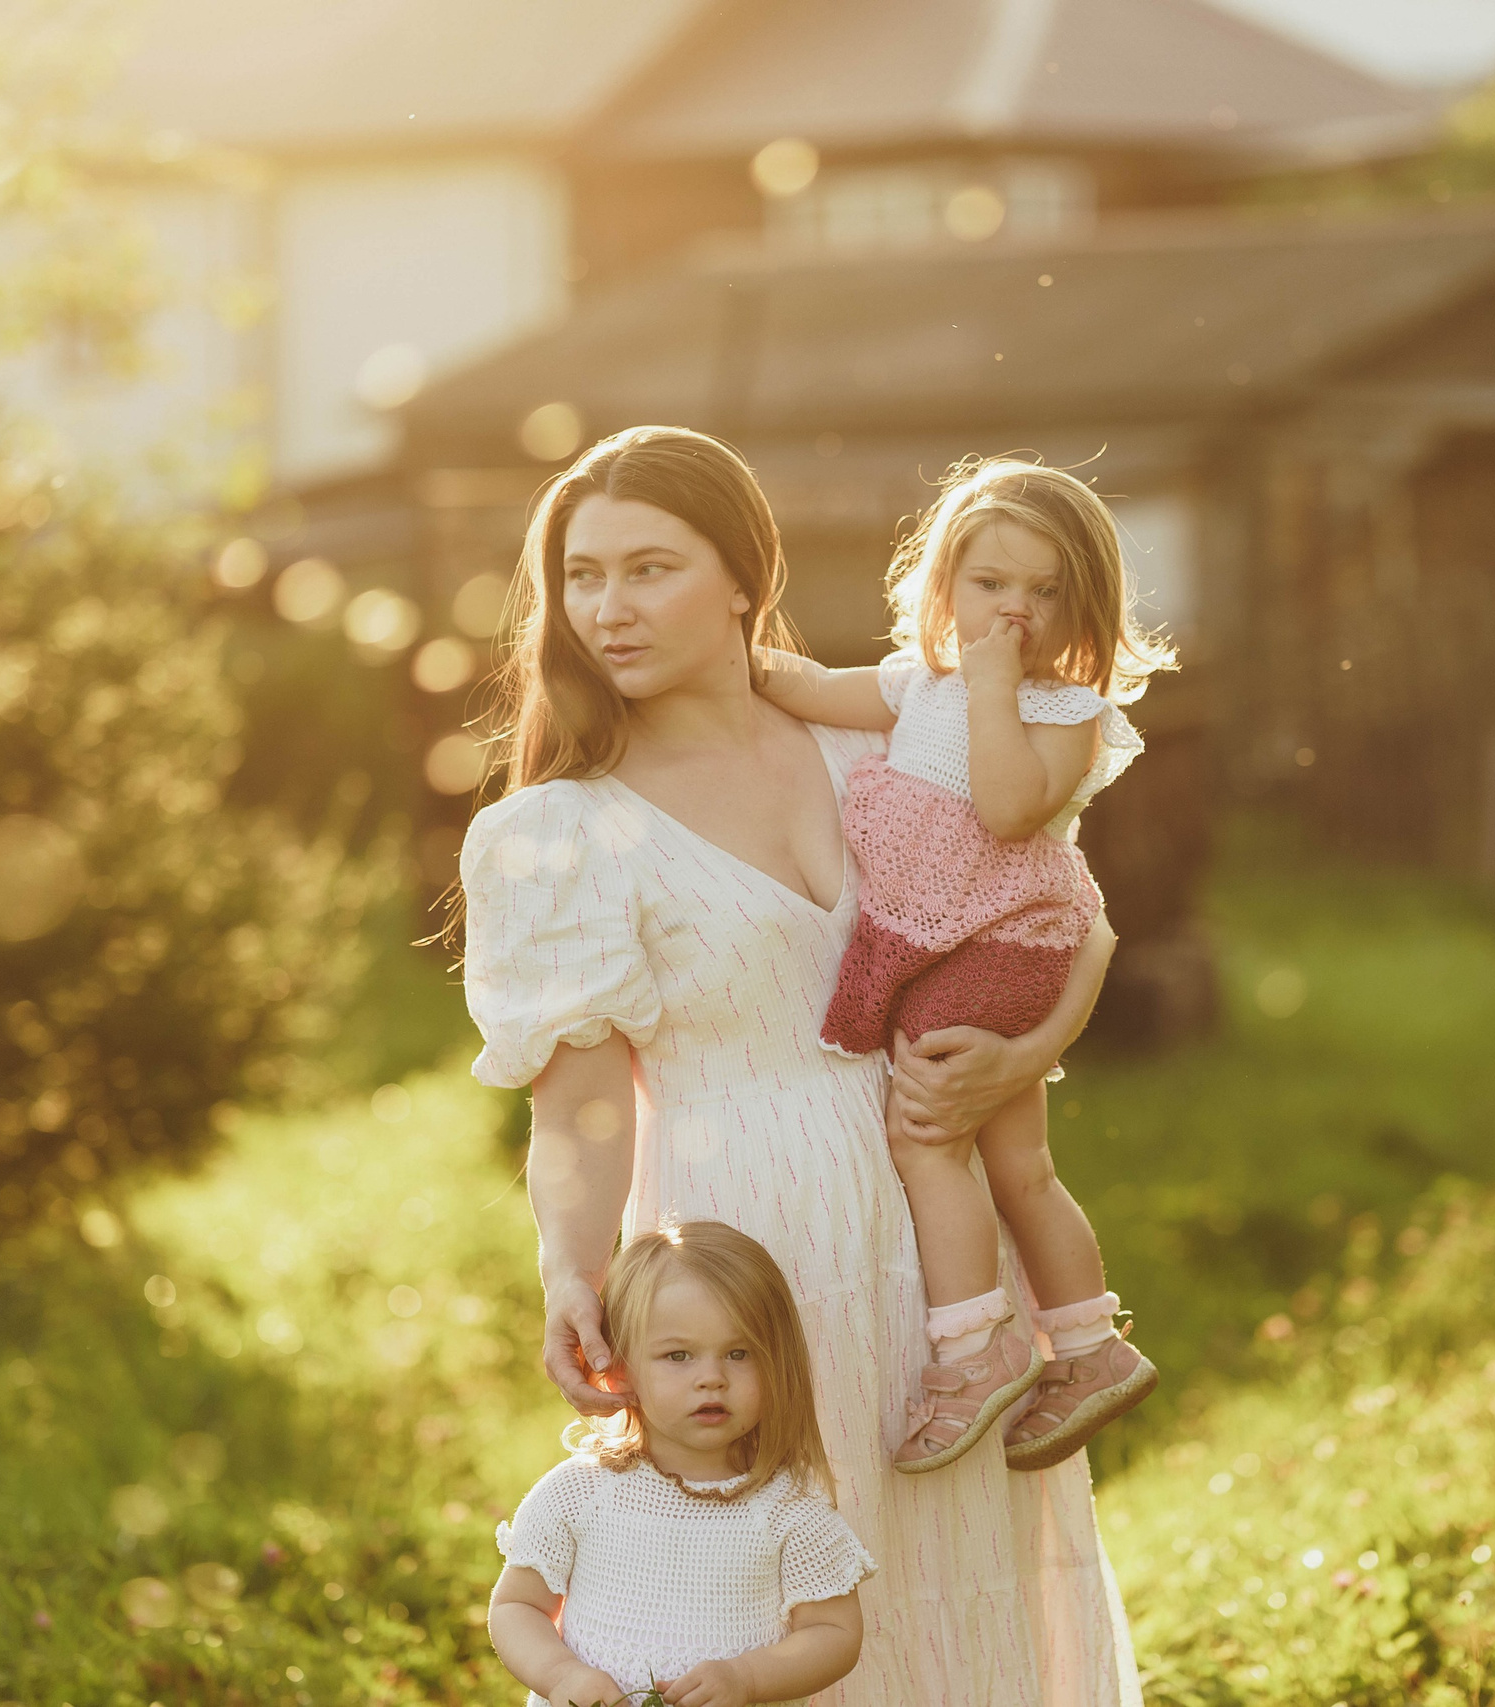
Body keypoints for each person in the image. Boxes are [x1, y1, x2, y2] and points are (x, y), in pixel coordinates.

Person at [459, 425, 1140, 1704]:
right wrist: (571, 1264)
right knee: (780, 1616)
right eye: (583, 576)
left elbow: (1067, 919)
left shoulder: (884, 741)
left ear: (741, 577)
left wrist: (1023, 1055)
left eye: (649, 567)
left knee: (960, 1593)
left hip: (945, 1268)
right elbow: (581, 1105)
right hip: (745, 1262)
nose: (609, 607)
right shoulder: (555, 830)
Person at [754, 459, 1175, 1475]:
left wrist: (990, 689)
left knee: (928, 1134)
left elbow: (1005, 807)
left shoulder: (1066, 717)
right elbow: (808, 687)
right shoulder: (915, 683)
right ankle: (1086, 1348)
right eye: (992, 585)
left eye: (1044, 592)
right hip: (958, 946)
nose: (1015, 611)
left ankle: (974, 1344)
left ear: (1085, 606)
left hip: (1000, 947)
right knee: (1019, 1165)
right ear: (945, 587)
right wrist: (736, 650)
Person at [489, 1222, 873, 1707]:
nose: (711, 1378)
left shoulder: (790, 1508)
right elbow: (517, 1605)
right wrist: (562, 1676)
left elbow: (834, 1632)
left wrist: (747, 1678)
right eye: (678, 1356)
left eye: (739, 1353)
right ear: (622, 1368)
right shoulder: (582, 1491)